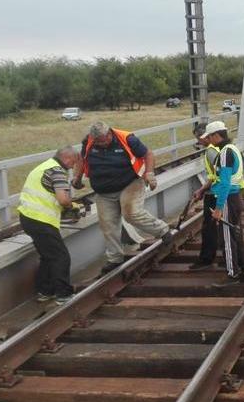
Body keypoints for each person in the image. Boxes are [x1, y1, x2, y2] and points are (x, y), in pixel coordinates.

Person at [72, 121, 174, 274]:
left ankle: (163, 230)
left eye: (102, 140)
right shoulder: (88, 142)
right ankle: (115, 258)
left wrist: (150, 173)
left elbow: (148, 154)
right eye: (96, 141)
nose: (100, 143)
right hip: (103, 191)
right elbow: (82, 159)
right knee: (107, 225)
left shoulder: (127, 139)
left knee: (131, 214)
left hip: (130, 183)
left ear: (109, 134)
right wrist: (77, 178)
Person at [18, 147, 79, 305]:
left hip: (27, 217)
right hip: (41, 220)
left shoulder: (43, 166)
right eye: (73, 162)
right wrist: (72, 206)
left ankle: (45, 291)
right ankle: (63, 295)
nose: (72, 166)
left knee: (48, 256)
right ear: (66, 158)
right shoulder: (57, 171)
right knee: (60, 256)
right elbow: (63, 199)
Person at [202, 121, 244, 284]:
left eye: (209, 137)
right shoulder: (233, 149)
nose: (208, 140)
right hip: (235, 197)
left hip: (228, 199)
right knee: (237, 235)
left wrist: (218, 208)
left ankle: (232, 274)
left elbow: (224, 183)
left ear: (216, 135)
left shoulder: (224, 153)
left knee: (227, 239)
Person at [188, 126, 222, 271]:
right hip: (217, 191)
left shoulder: (211, 152)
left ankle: (206, 259)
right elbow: (215, 174)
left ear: (204, 137)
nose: (198, 142)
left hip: (216, 193)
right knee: (215, 227)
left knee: (208, 228)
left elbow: (219, 174)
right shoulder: (218, 149)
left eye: (198, 139)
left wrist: (206, 190)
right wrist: (202, 189)